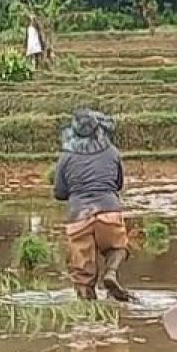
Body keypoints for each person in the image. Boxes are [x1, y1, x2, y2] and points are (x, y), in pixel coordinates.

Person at [53, 108, 133, 302]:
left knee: (83, 276)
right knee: (118, 247)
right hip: (108, 210)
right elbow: (119, 184)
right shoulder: (112, 152)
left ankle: (89, 319)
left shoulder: (66, 158)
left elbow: (59, 193)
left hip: (78, 216)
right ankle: (111, 273)